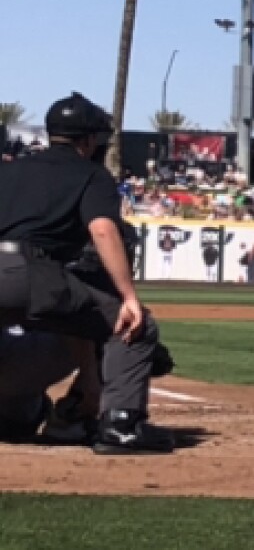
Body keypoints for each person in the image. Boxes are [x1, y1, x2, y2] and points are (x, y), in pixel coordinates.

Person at [0, 92, 173, 454]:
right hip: (29, 272)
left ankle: (17, 409)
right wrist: (128, 297)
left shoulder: (10, 170)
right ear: (90, 140)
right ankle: (121, 425)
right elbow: (103, 230)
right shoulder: (91, 174)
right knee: (133, 326)